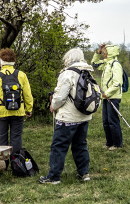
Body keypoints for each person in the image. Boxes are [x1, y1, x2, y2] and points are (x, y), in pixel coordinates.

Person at [39, 48, 97, 184]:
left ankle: (53, 177)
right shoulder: (87, 72)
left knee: (59, 146)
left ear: (68, 59)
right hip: (84, 116)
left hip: (68, 117)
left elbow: (60, 97)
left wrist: (53, 105)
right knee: (80, 144)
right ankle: (84, 173)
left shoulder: (67, 74)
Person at [0, 48, 32, 155]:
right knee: (16, 137)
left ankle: (3, 164)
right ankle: (16, 162)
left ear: (1, 61)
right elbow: (27, 95)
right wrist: (28, 109)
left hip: (0, 111)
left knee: (1, 137)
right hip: (18, 111)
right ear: (14, 61)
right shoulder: (21, 75)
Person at [96, 44, 125, 150]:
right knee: (106, 121)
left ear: (110, 53)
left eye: (104, 53)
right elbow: (94, 64)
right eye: (102, 53)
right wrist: (97, 52)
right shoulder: (106, 64)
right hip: (106, 96)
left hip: (113, 96)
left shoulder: (115, 65)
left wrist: (107, 93)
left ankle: (117, 144)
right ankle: (109, 143)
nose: (103, 55)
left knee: (112, 121)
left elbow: (118, 83)